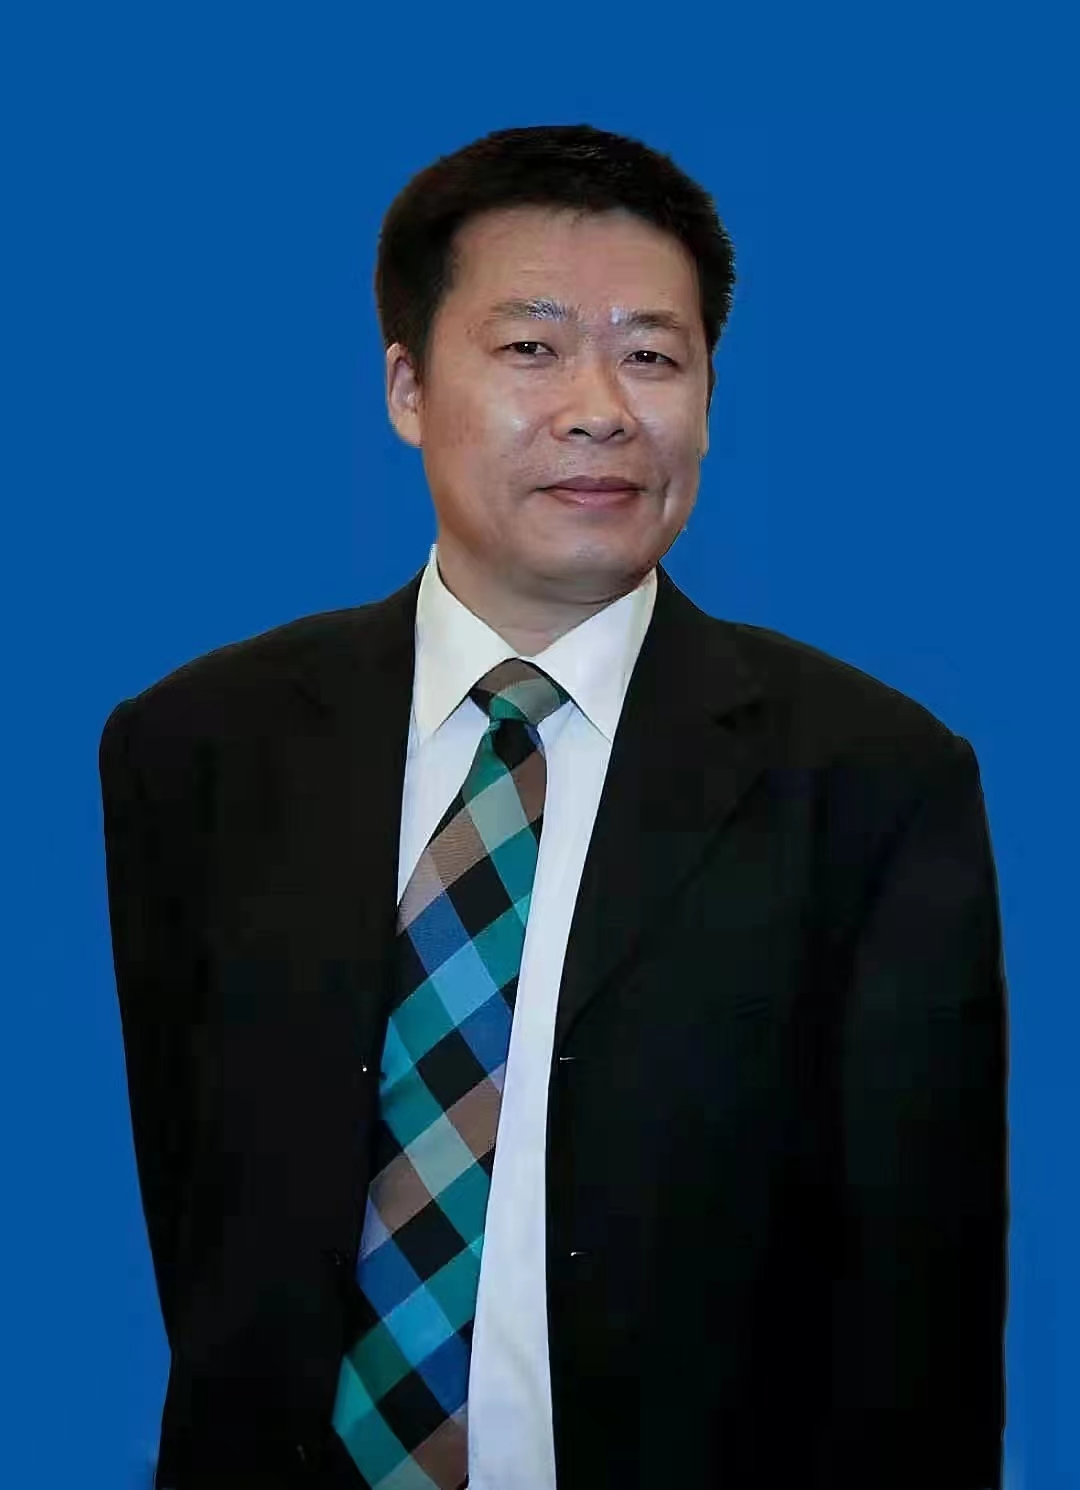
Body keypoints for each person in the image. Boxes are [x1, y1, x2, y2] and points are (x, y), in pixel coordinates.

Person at [99, 123, 1008, 1490]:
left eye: (653, 356)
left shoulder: (873, 781)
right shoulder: (198, 748)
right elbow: (201, 1211)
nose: (600, 408)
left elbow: (918, 1312)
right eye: (531, 347)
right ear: (407, 386)